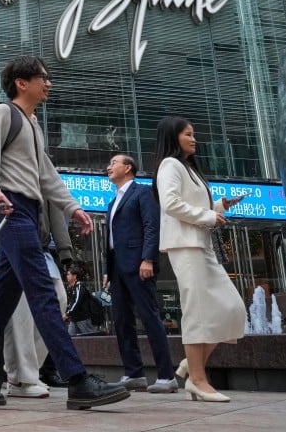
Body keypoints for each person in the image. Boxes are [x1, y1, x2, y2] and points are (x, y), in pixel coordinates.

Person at [0, 55, 129, 410]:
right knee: (44, 293)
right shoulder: (3, 114)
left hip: (29, 211)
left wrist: (72, 207)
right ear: (21, 82)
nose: (49, 83)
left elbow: (47, 176)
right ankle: (77, 380)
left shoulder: (33, 125)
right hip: (9, 209)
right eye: (43, 78)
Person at [152, 116, 246, 403]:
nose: (194, 139)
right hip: (185, 246)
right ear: (174, 136)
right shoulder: (170, 165)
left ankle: (189, 367)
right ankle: (198, 379)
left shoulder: (189, 168)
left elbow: (190, 204)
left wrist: (218, 206)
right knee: (197, 311)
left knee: (232, 309)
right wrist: (209, 216)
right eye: (188, 134)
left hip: (201, 245)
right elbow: (170, 204)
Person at [105, 153, 178, 393]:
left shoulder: (142, 193)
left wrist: (148, 258)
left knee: (149, 317)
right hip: (117, 267)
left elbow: (151, 226)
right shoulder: (112, 201)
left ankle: (167, 376)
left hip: (138, 264)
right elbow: (111, 239)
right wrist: (108, 270)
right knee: (122, 320)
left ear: (128, 168)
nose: (109, 167)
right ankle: (133, 373)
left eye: (113, 163)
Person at [1, 201, 73, 399]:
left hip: (41, 248)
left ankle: (31, 370)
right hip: (12, 241)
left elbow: (57, 207)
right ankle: (19, 378)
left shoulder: (42, 172)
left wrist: (65, 249)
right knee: (21, 315)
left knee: (58, 301)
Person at [64, 266, 99, 335]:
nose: (67, 276)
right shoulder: (72, 287)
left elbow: (77, 302)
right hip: (74, 319)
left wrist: (68, 313)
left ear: (74, 276)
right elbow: (72, 303)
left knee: (89, 339)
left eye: (68, 274)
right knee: (71, 339)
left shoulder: (79, 286)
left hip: (83, 318)